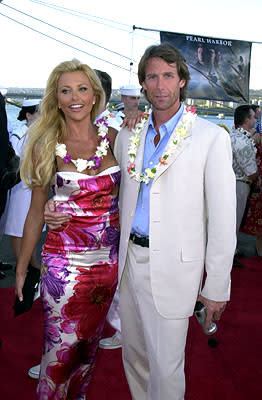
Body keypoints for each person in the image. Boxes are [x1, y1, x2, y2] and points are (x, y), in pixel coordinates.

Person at [45, 43, 236, 400]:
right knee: (133, 358)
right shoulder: (128, 135)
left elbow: (224, 221)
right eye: (152, 77)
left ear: (182, 81)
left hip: (176, 271)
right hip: (129, 264)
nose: (160, 85)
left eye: (168, 76)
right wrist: (55, 210)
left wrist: (216, 287)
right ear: (143, 85)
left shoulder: (211, 138)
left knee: (167, 366)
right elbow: (100, 190)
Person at [15, 59, 120, 399]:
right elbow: (34, 213)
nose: (75, 97)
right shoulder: (45, 144)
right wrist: (21, 268)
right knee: (59, 354)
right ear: (56, 99)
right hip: (64, 268)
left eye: (82, 88)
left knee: (87, 352)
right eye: (65, 90)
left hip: (107, 267)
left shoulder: (118, 139)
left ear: (94, 96)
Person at [5, 99, 42, 272]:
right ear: (28, 115)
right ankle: (21, 263)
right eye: (39, 112)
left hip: (36, 186)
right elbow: (14, 164)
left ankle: (32, 259)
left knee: (33, 227)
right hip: (21, 186)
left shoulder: (39, 133)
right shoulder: (19, 134)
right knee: (18, 226)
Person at [229, 105, 258, 266]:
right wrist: (257, 179)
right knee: (235, 221)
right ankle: (230, 254)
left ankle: (231, 250)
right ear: (247, 120)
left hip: (231, 183)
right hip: (240, 184)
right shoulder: (243, 141)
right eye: (253, 117)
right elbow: (251, 171)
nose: (255, 120)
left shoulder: (231, 135)